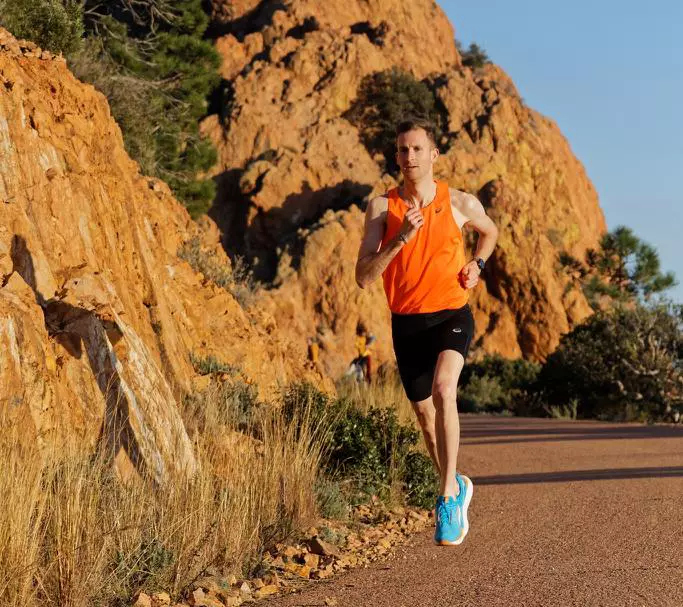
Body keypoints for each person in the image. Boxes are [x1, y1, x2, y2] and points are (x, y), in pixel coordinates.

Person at [355, 117, 498, 546]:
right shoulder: (383, 209)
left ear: (434, 155)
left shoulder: (460, 203)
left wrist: (478, 264)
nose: (409, 157)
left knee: (443, 389)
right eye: (402, 150)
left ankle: (447, 498)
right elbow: (364, 277)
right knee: (424, 416)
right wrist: (400, 239)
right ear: (396, 156)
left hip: (451, 314)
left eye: (417, 149)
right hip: (407, 323)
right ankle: (456, 482)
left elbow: (489, 232)